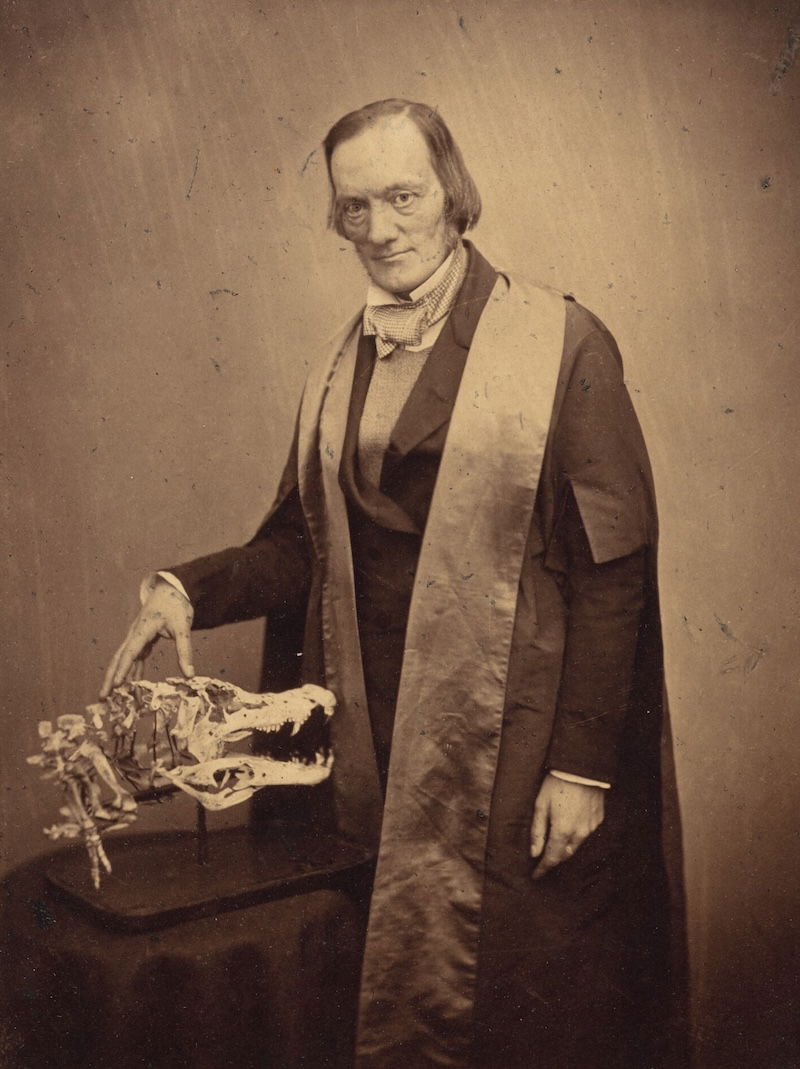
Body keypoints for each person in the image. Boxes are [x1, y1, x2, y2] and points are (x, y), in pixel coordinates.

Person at [102, 99, 687, 1068]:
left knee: (518, 994)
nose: (378, 229)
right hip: (368, 739)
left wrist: (582, 768)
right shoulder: (341, 363)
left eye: (402, 196)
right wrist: (185, 590)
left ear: (454, 197)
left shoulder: (563, 341)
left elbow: (612, 571)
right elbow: (302, 544)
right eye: (353, 208)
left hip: (514, 734)